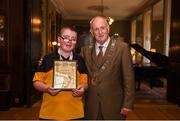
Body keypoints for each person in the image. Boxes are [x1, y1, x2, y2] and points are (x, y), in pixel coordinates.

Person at [81, 16, 135, 120]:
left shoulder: (122, 48)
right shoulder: (85, 51)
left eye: (102, 28)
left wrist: (128, 104)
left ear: (108, 29)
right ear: (91, 32)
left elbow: (129, 78)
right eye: (96, 29)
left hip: (114, 106)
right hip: (91, 106)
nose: (100, 32)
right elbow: (77, 70)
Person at [32, 26, 88, 120]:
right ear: (59, 39)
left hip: (75, 113)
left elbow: (85, 83)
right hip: (50, 113)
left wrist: (82, 88)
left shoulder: (80, 60)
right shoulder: (47, 58)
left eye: (73, 39)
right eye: (66, 37)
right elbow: (36, 82)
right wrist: (47, 88)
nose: (69, 41)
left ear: (76, 42)